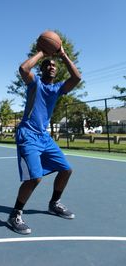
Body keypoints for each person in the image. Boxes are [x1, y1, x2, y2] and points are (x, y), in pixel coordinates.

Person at [7, 40, 81, 234]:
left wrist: (62, 55)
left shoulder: (57, 89)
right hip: (28, 135)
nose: (51, 66)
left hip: (43, 137)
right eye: (48, 65)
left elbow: (76, 78)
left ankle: (54, 203)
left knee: (66, 169)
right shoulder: (35, 83)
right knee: (35, 178)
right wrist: (42, 52)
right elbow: (23, 69)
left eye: (54, 65)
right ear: (41, 70)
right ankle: (15, 214)